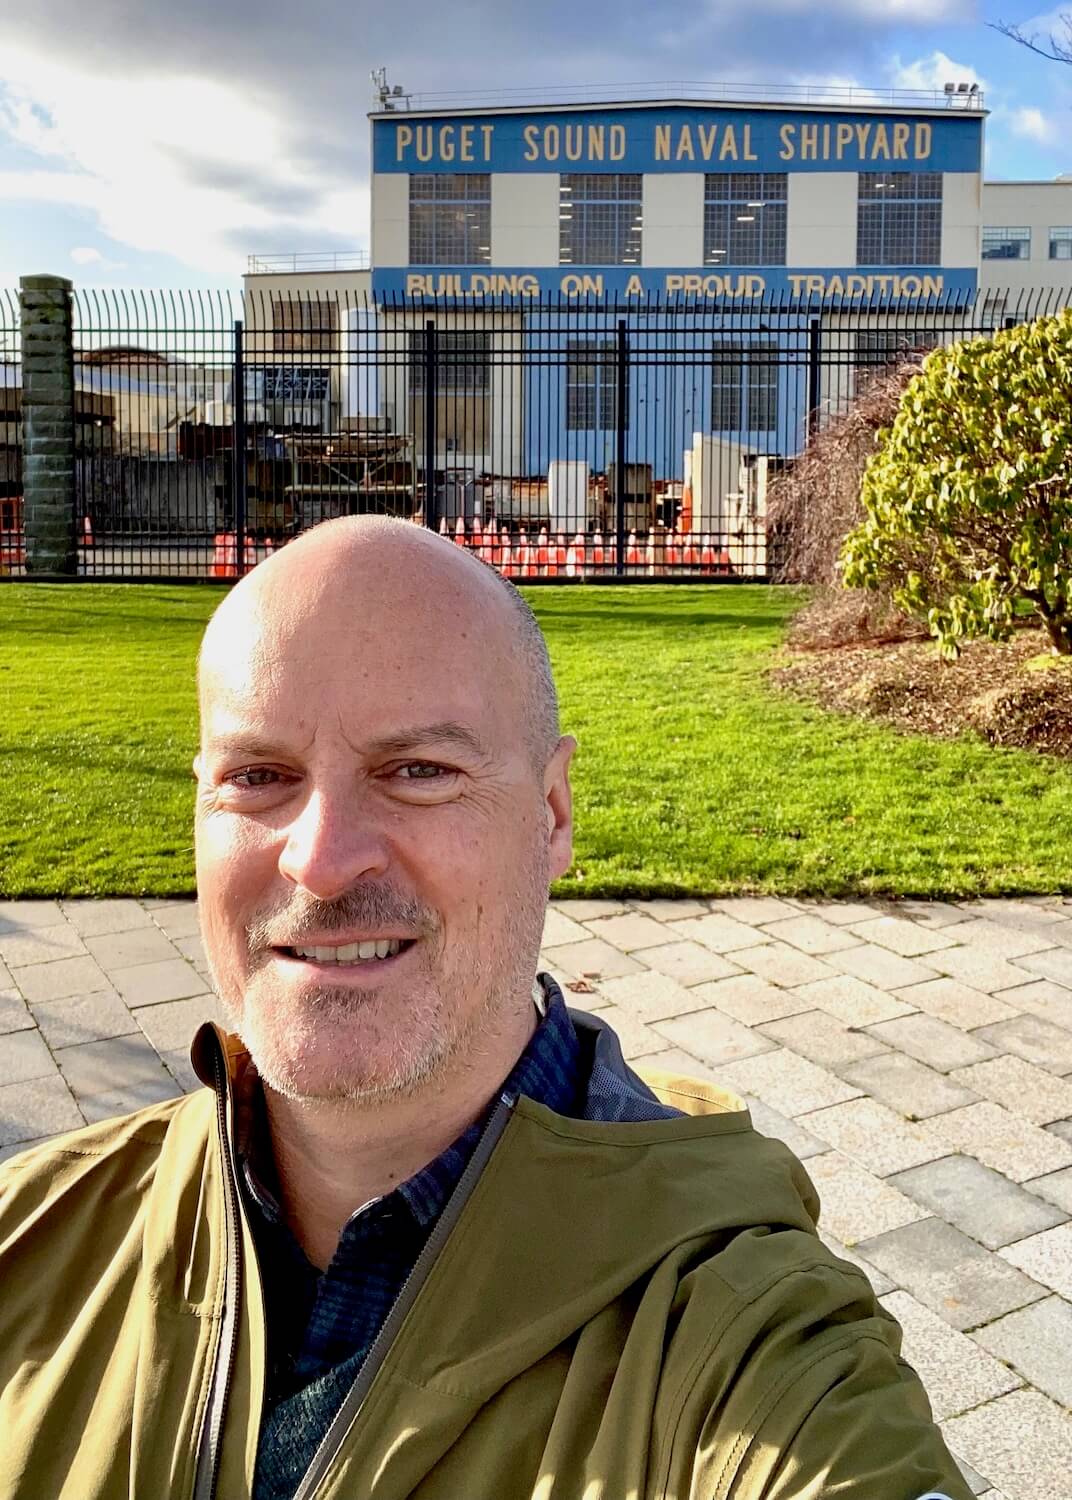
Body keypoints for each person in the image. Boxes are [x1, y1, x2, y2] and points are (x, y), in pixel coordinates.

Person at [0, 516, 971, 1500]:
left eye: (418, 771)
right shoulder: (33, 1233)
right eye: (259, 778)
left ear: (550, 815)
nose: (323, 860)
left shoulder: (735, 1335)